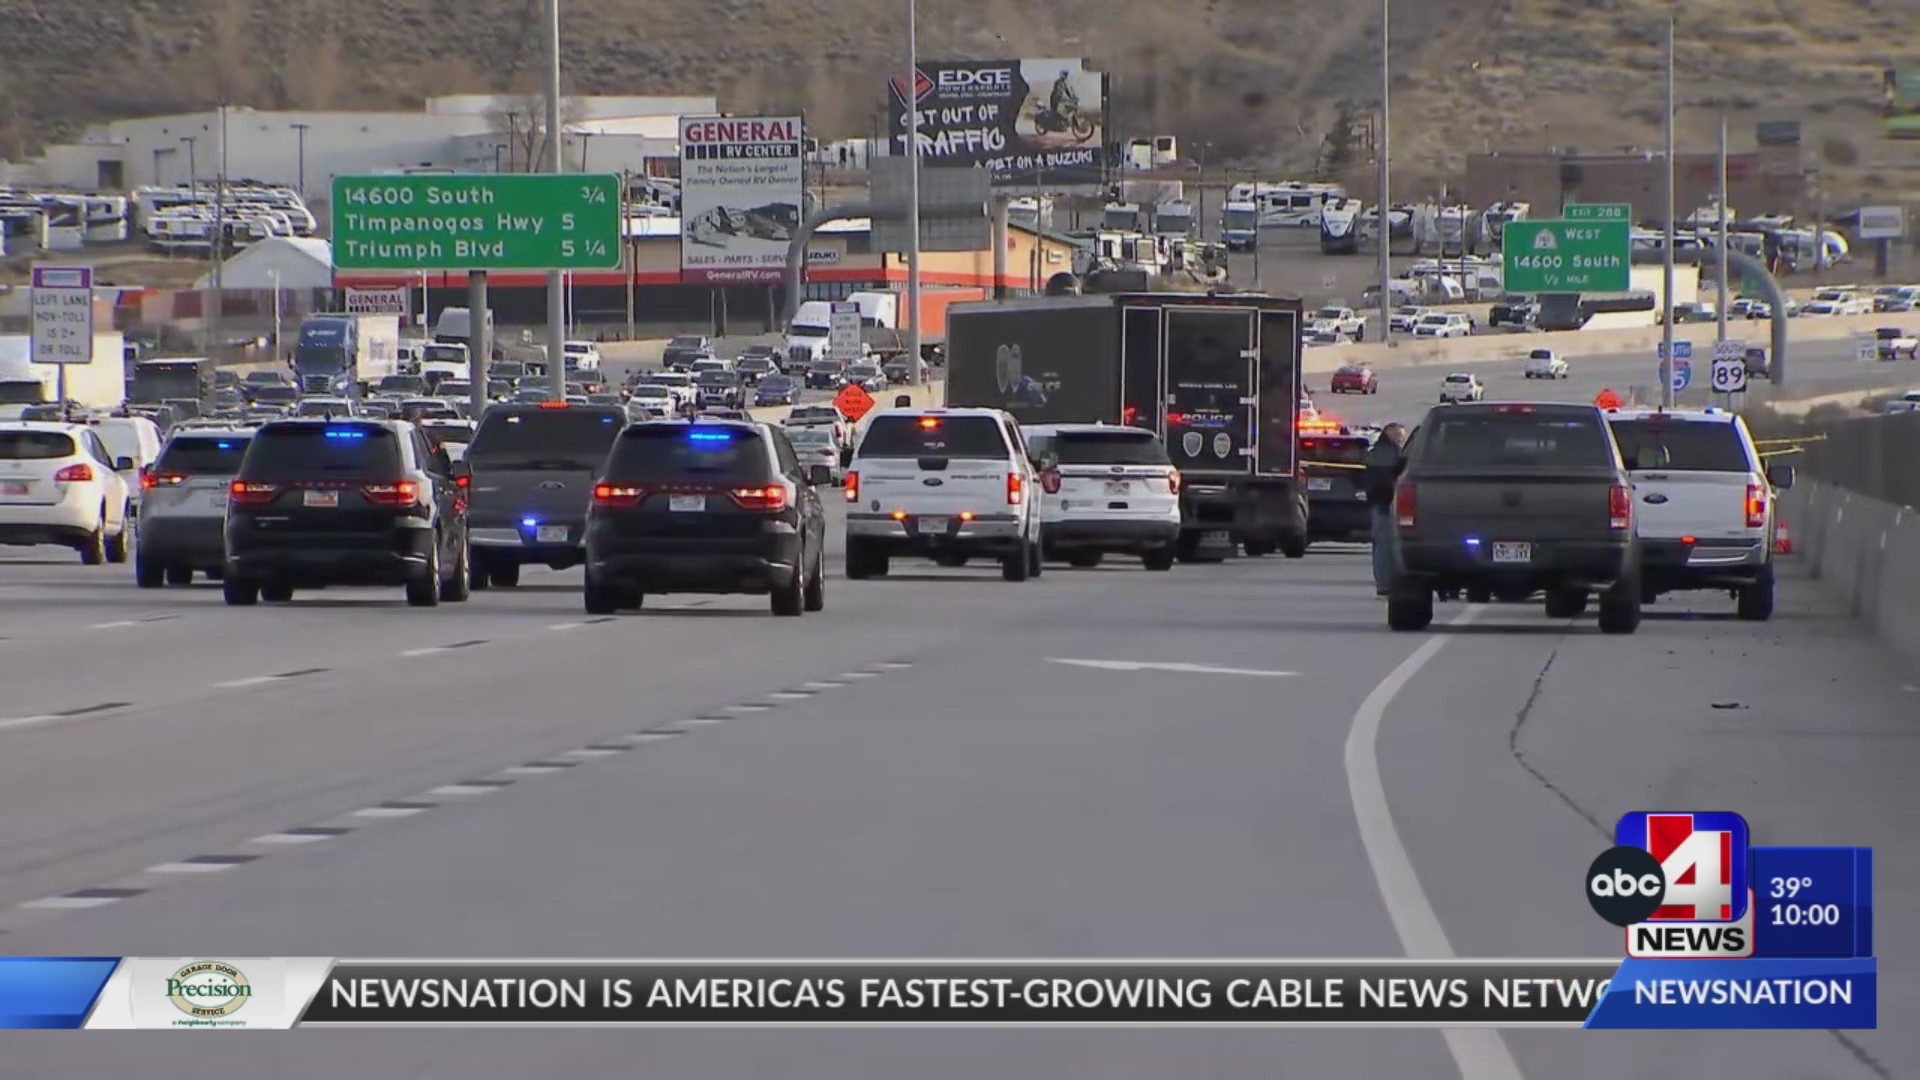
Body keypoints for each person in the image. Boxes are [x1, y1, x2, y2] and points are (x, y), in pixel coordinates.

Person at [1363, 423, 1409, 596]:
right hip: (1386, 503)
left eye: (1402, 437)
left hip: (1378, 502)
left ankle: (1384, 582)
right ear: (1389, 435)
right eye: (1398, 436)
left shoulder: (1375, 453)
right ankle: (1387, 583)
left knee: (1381, 544)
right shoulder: (1390, 455)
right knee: (1386, 545)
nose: (1400, 440)